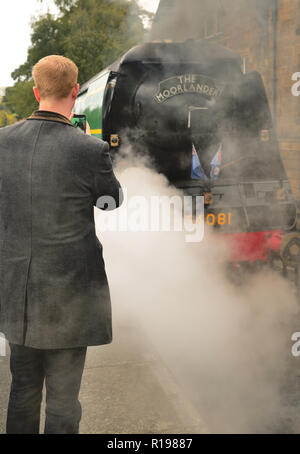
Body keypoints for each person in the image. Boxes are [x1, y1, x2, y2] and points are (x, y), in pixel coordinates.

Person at [0, 55, 123, 434]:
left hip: (18, 293)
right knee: (64, 401)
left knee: (22, 390)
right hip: (70, 295)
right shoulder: (89, 150)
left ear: (36, 92)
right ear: (75, 92)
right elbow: (111, 200)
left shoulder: (2, 143)